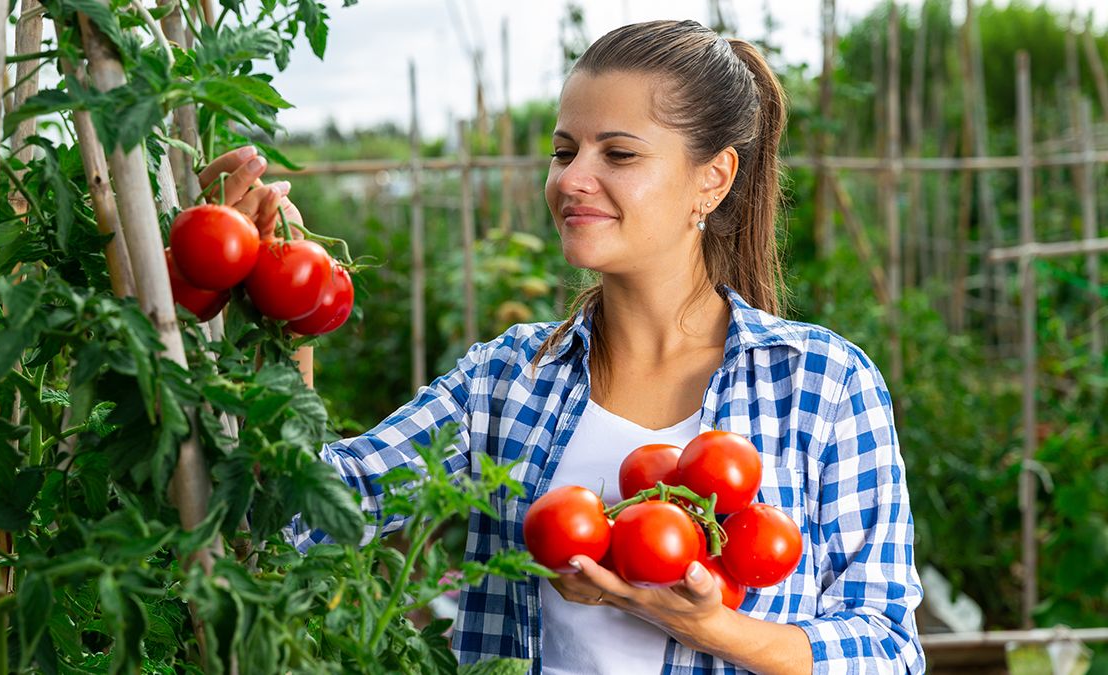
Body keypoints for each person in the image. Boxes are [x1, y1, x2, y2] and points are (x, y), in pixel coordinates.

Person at [210, 19, 924, 674]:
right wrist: (283, 313)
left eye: (618, 152)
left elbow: (889, 648)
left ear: (713, 178)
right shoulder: (506, 379)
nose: (572, 179)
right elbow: (302, 518)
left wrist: (715, 628)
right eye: (563, 150)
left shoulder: (821, 384)